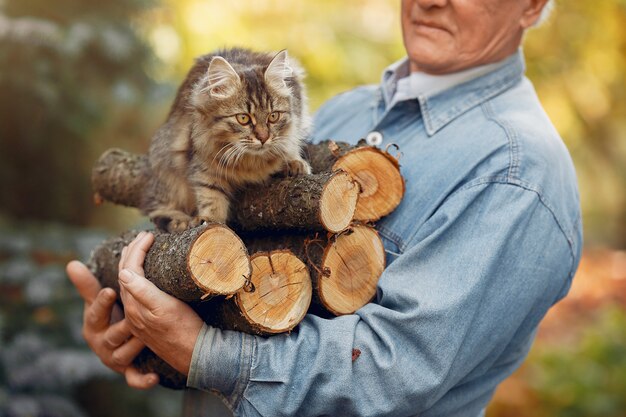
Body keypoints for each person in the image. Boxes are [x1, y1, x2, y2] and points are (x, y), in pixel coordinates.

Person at [67, 0, 583, 415]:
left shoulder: (517, 173)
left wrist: (204, 354)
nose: (430, 1)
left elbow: (392, 374)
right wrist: (139, 332)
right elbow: (231, 269)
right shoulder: (343, 110)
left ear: (532, 7)